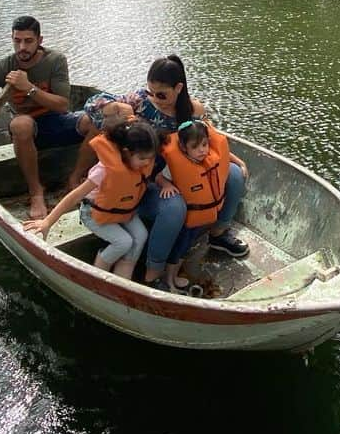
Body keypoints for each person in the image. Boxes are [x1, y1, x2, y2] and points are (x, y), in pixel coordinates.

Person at [74, 54, 249, 276]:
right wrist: (115, 107)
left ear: (178, 88)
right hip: (145, 180)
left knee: (233, 175)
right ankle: (154, 270)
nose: (154, 98)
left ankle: (218, 234)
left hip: (182, 173)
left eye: (161, 93)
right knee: (174, 207)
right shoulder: (139, 101)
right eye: (150, 91)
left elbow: (207, 142)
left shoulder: (192, 111)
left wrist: (235, 160)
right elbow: (92, 105)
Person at [0, 15, 85, 218]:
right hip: (25, 130)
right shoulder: (3, 67)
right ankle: (36, 192)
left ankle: (74, 179)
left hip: (55, 121)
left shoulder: (55, 61)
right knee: (22, 124)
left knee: (96, 121)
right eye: (17, 41)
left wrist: (29, 88)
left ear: (39, 41)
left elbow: (63, 106)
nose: (22, 47)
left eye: (28, 41)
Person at [23, 120, 158, 279]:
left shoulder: (139, 165)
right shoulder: (104, 170)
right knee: (123, 242)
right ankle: (98, 275)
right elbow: (75, 196)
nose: (147, 163)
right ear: (127, 152)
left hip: (123, 212)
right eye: (143, 158)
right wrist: (47, 222)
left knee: (141, 235)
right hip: (93, 213)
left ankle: (123, 278)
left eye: (150, 158)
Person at [153, 118, 249, 291]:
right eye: (195, 147)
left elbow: (225, 156)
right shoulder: (177, 163)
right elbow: (159, 177)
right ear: (183, 148)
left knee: (188, 244)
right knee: (181, 244)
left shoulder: (211, 157)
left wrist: (240, 163)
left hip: (204, 212)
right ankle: (169, 278)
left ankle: (173, 275)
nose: (202, 150)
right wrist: (167, 185)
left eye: (204, 145)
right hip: (187, 215)